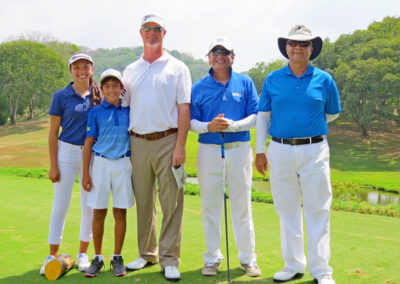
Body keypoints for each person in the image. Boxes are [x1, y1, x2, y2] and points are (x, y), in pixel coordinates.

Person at [255, 25, 341, 284]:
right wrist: (260, 151)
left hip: (314, 150)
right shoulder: (273, 79)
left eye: (303, 44)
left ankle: (321, 270)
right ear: (286, 48)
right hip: (279, 149)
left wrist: (308, 126)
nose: (297, 47)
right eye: (293, 43)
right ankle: (293, 264)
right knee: (286, 209)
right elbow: (263, 117)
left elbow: (332, 113)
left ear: (311, 49)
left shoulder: (324, 79)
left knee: (318, 209)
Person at [122, 13, 191, 282]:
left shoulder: (177, 67)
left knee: (171, 201)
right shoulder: (131, 69)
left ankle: (170, 258)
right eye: (147, 29)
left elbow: (184, 108)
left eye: (157, 29)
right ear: (141, 33)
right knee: (143, 200)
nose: (152, 33)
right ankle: (146, 252)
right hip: (137, 141)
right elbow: (123, 107)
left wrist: (181, 146)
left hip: (168, 140)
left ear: (164, 34)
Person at [190, 37, 261, 278]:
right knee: (210, 207)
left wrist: (231, 125)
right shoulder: (199, 86)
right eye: (214, 52)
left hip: (239, 149)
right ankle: (211, 258)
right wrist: (208, 126)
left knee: (242, 206)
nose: (219, 56)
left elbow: (255, 117)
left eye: (224, 52)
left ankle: (248, 259)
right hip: (209, 151)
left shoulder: (245, 82)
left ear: (232, 56)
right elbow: (191, 121)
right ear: (208, 57)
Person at [41, 52, 102, 275]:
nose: (81, 71)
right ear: (71, 71)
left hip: (92, 156)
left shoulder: (99, 95)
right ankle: (52, 255)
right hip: (65, 153)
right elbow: (52, 133)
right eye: (77, 67)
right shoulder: (61, 96)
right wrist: (53, 164)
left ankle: (83, 254)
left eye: (86, 67)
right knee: (60, 206)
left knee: (89, 206)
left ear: (92, 70)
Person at [81, 69, 134, 278]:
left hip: (123, 163)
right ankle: (98, 258)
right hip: (101, 164)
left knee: (120, 212)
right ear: (101, 89)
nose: (111, 90)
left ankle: (117, 257)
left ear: (122, 89)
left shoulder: (129, 111)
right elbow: (88, 143)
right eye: (107, 86)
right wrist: (85, 173)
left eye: (115, 86)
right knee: (99, 212)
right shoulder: (95, 112)